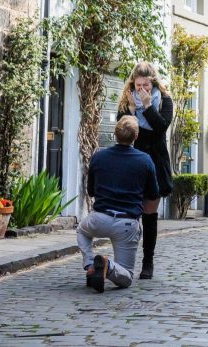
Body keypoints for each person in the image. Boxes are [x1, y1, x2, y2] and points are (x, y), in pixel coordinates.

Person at [78, 116, 159, 292]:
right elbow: (153, 194)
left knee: (82, 231)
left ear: (115, 134)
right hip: (127, 223)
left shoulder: (99, 157)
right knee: (126, 277)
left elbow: (91, 191)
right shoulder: (145, 160)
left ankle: (90, 265)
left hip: (99, 218)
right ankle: (108, 266)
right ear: (136, 136)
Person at [116, 61, 173, 280]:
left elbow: (160, 128)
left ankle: (147, 261)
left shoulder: (164, 101)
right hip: (132, 161)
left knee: (149, 215)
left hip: (156, 162)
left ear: (153, 83)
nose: (142, 90)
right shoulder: (127, 101)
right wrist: (131, 111)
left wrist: (148, 107)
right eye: (138, 85)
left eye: (146, 86)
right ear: (133, 83)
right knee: (129, 213)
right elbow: (123, 132)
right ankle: (124, 260)